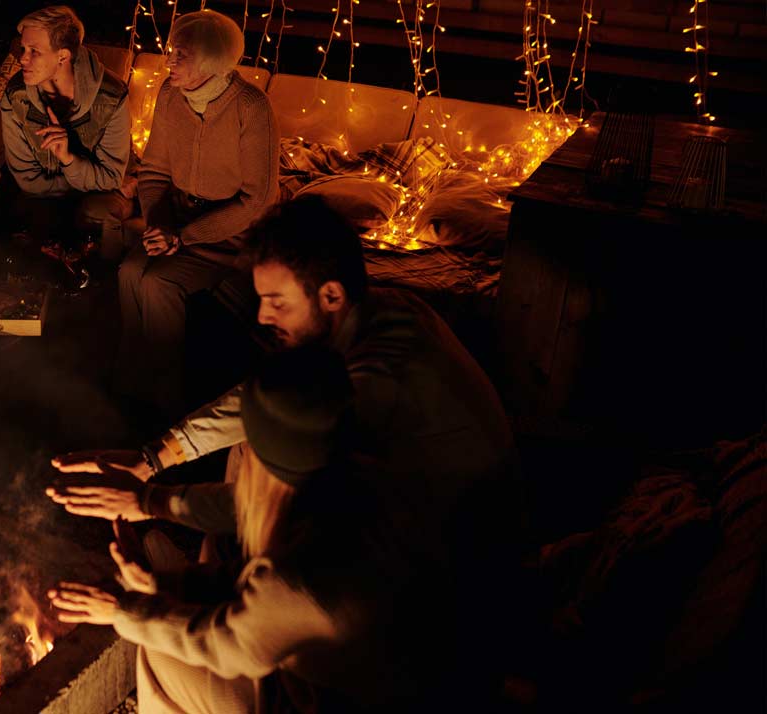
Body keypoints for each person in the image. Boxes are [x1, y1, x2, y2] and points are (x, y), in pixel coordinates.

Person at [49, 196, 526, 707]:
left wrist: (152, 511)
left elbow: (262, 510)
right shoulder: (368, 322)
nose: (261, 314)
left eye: (277, 300)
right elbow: (262, 406)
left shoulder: (375, 385)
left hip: (456, 573)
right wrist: (152, 463)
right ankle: (221, 589)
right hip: (382, 564)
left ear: (331, 294)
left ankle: (238, 614)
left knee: (169, 648)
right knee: (245, 461)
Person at [50, 347, 519, 711]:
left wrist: (122, 611)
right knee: (206, 563)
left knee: (160, 654)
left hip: (359, 703)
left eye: (250, 448)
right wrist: (167, 582)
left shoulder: (304, 579)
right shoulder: (362, 481)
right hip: (404, 672)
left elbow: (225, 644)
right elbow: (255, 593)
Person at [116, 10, 279, 413]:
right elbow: (153, 171)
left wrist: (183, 238)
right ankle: (132, 381)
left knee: (158, 284)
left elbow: (256, 200)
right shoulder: (170, 96)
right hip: (176, 221)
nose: (169, 61)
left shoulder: (251, 107)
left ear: (211, 62)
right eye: (171, 51)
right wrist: (159, 224)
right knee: (129, 272)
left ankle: (165, 400)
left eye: (181, 54)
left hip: (231, 235)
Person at [0, 5, 133, 262]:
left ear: (62, 56)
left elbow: (111, 178)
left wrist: (70, 160)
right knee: (26, 213)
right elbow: (28, 180)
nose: (22, 59)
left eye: (34, 52)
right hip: (42, 192)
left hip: (87, 193)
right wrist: (85, 183)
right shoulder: (16, 96)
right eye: (22, 49)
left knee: (92, 212)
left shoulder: (112, 96)